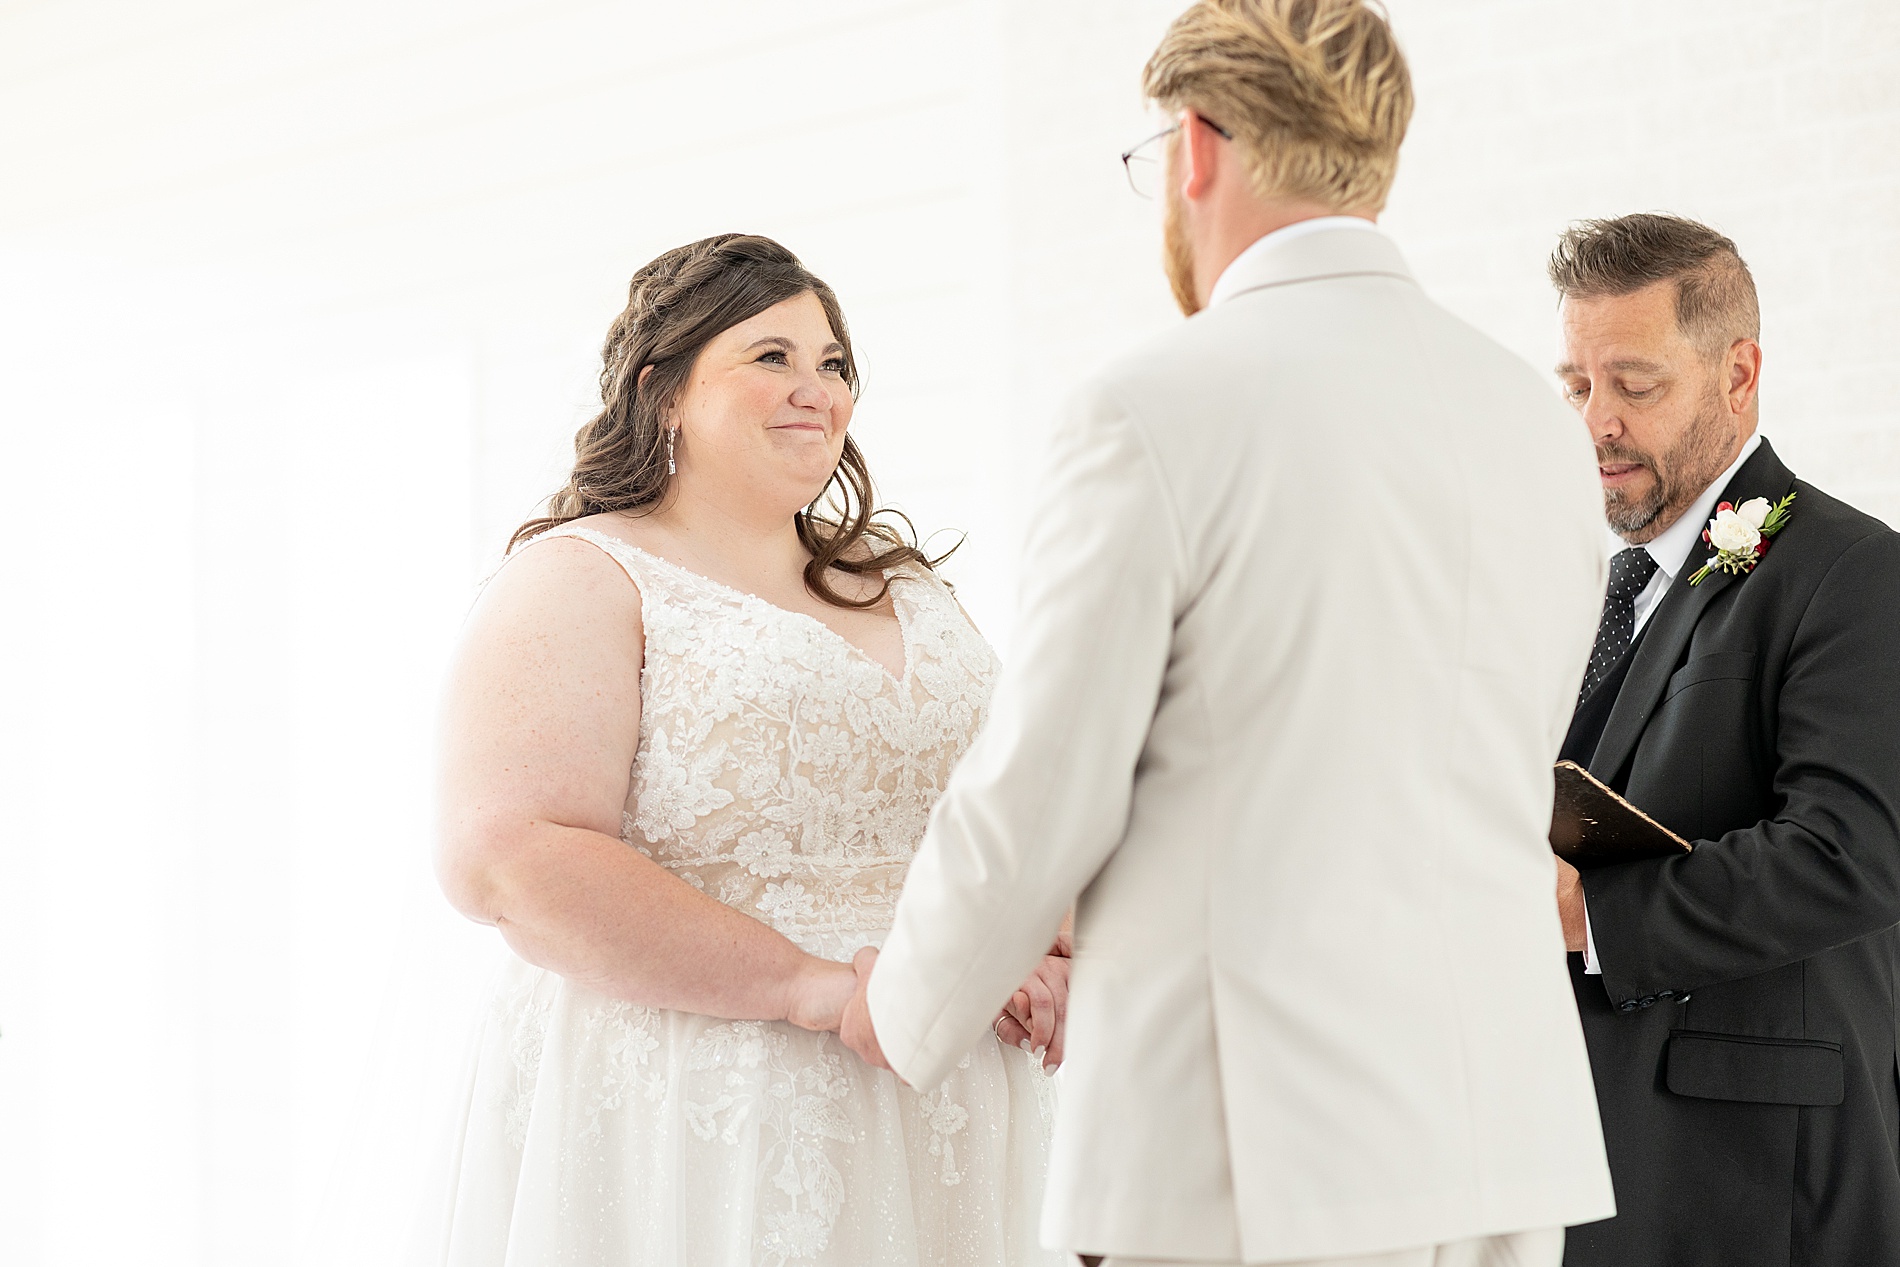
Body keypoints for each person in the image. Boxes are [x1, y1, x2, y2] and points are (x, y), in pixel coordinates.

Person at [839, 3, 1616, 1265]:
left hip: (1254, 1142)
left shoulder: (1154, 407)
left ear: (1194, 145)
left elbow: (1047, 784)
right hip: (1494, 1131)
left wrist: (906, 1004)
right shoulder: (1532, 419)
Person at [429, 233, 1067, 1266]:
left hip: (944, 1093)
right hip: (702, 1103)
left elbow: (1012, 797)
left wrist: (1045, 935)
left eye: (833, 364)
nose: (814, 388)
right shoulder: (585, 576)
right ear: (663, 390)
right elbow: (509, 855)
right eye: (770, 356)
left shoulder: (907, 588)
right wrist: (811, 986)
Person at [1547, 213, 1900, 1266]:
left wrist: (1587, 914)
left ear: (1737, 373)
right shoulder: (1568, 589)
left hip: (1754, 1178)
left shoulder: (1852, 572)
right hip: (1579, 1158)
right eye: (1576, 386)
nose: (1596, 422)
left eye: (1634, 385)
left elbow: (1851, 854)